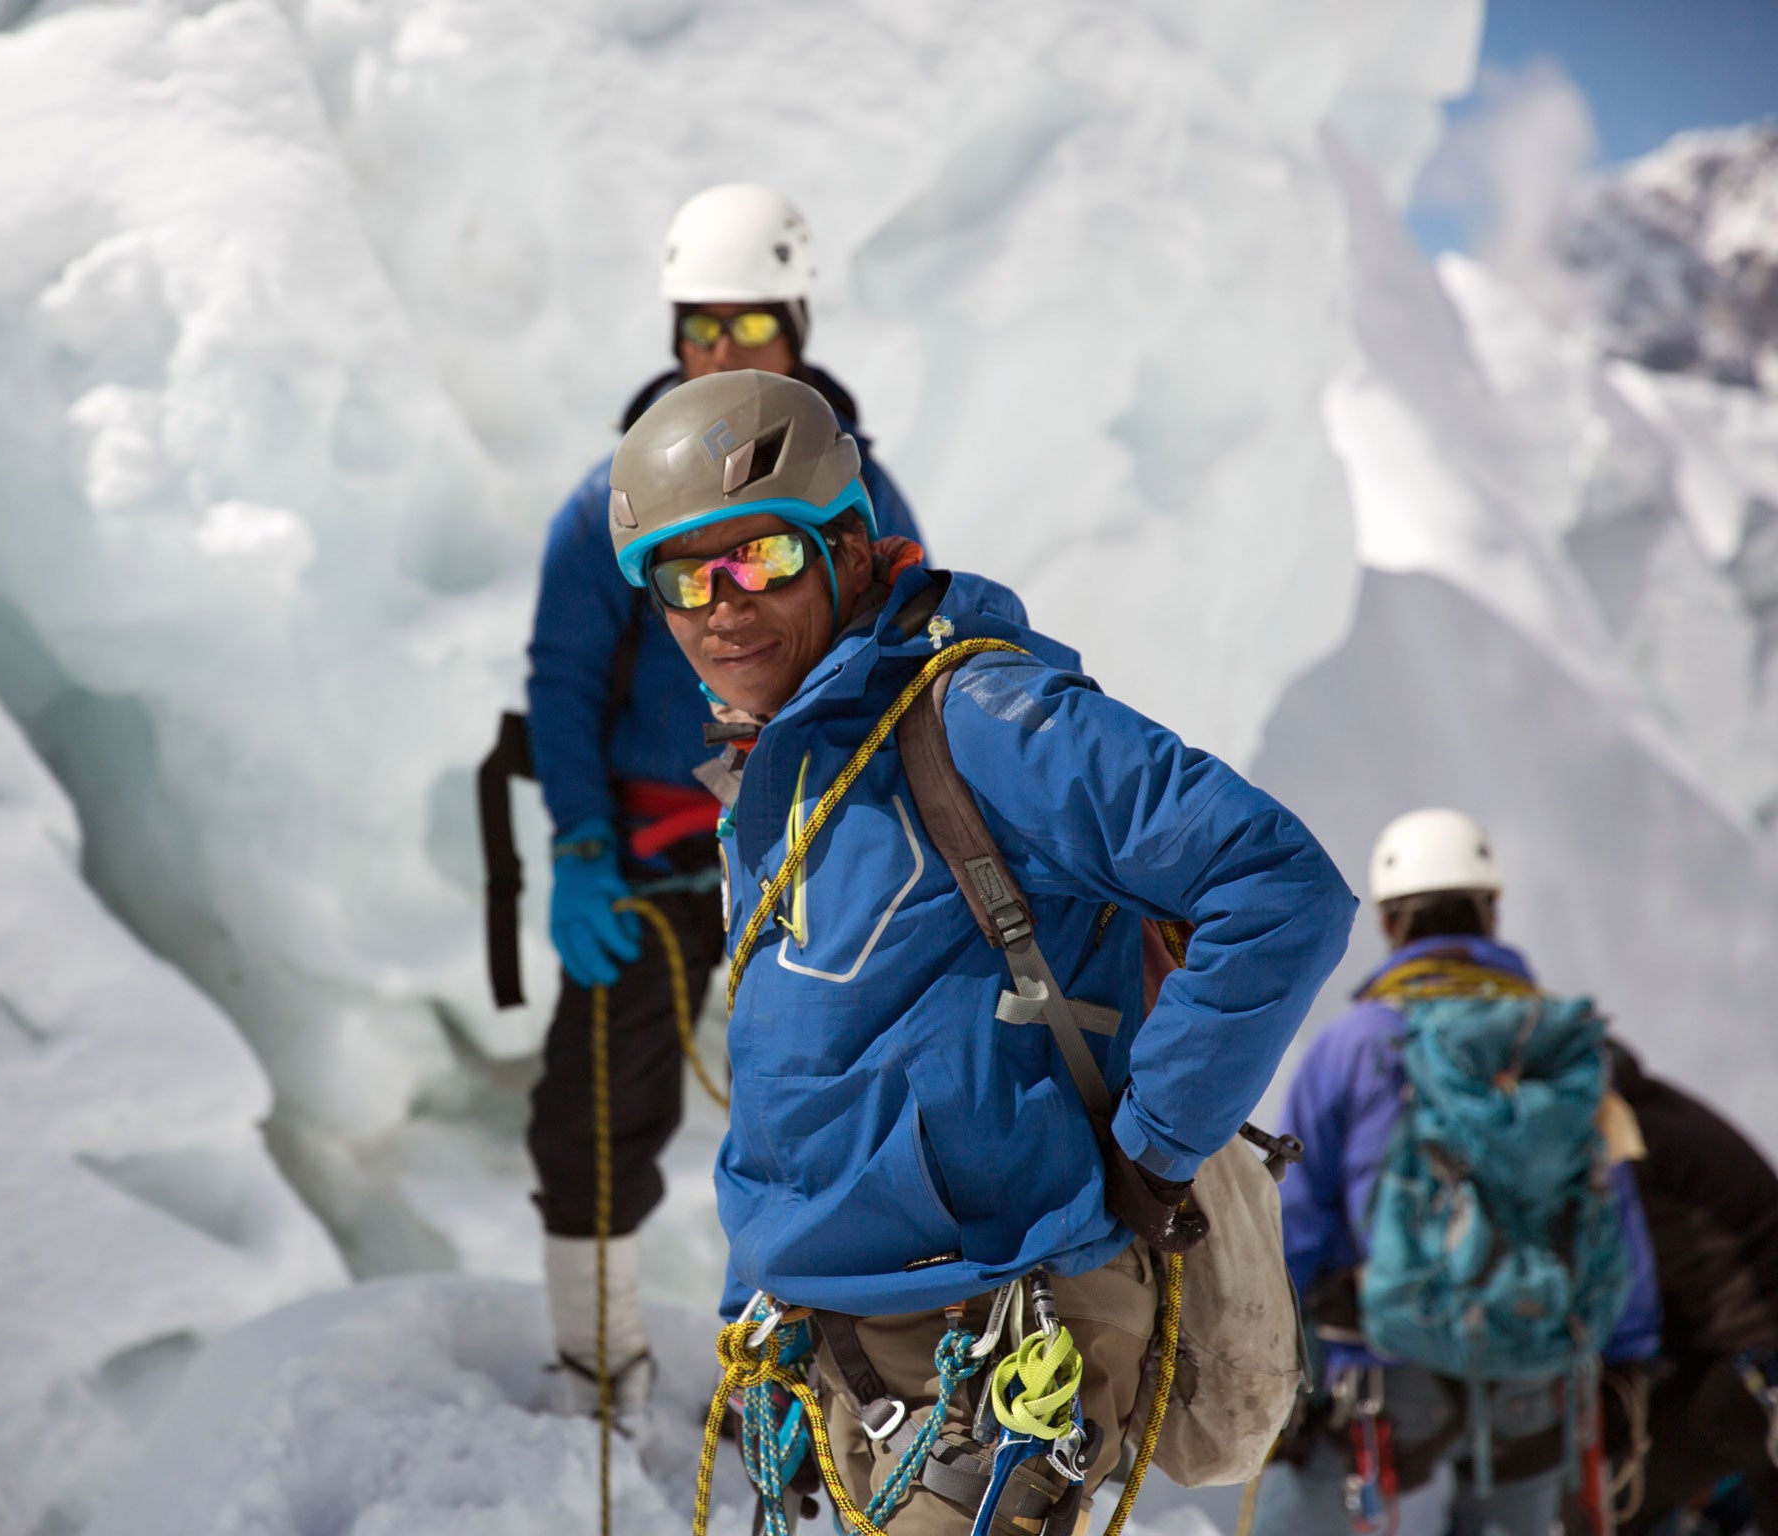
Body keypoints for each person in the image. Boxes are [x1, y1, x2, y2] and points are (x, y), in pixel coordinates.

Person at [605, 367, 1356, 1533]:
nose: (720, 606)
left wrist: (1155, 1151)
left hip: (1004, 1339)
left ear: (848, 546)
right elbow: (800, 1069)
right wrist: (759, 1296)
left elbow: (1275, 885)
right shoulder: (770, 775)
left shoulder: (980, 717)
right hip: (838, 1353)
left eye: (759, 558)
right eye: (683, 576)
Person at [524, 183, 922, 1422]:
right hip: (648, 857)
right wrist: (582, 846)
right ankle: (603, 1374)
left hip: (805, 850)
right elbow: (566, 675)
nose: (718, 354)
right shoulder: (614, 497)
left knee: (816, 1125)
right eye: (699, 329)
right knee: (590, 1120)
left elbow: (905, 653)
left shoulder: (855, 493)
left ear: (797, 323)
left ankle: (799, 1387)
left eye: (748, 329)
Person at [1258, 808, 1663, 1536]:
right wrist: (1627, 1360)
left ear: (1388, 925)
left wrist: (1289, 1369)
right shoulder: (1556, 1045)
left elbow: (1300, 1222)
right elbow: (1614, 1204)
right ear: (1491, 911)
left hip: (1384, 1363)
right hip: (1535, 1361)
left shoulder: (1351, 1046)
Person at [1600, 1040, 1778, 1535]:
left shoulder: (1629, 1140)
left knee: (1609, 1500)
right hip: (1749, 1366)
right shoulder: (1663, 1110)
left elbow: (1620, 1286)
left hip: (1748, 1367)